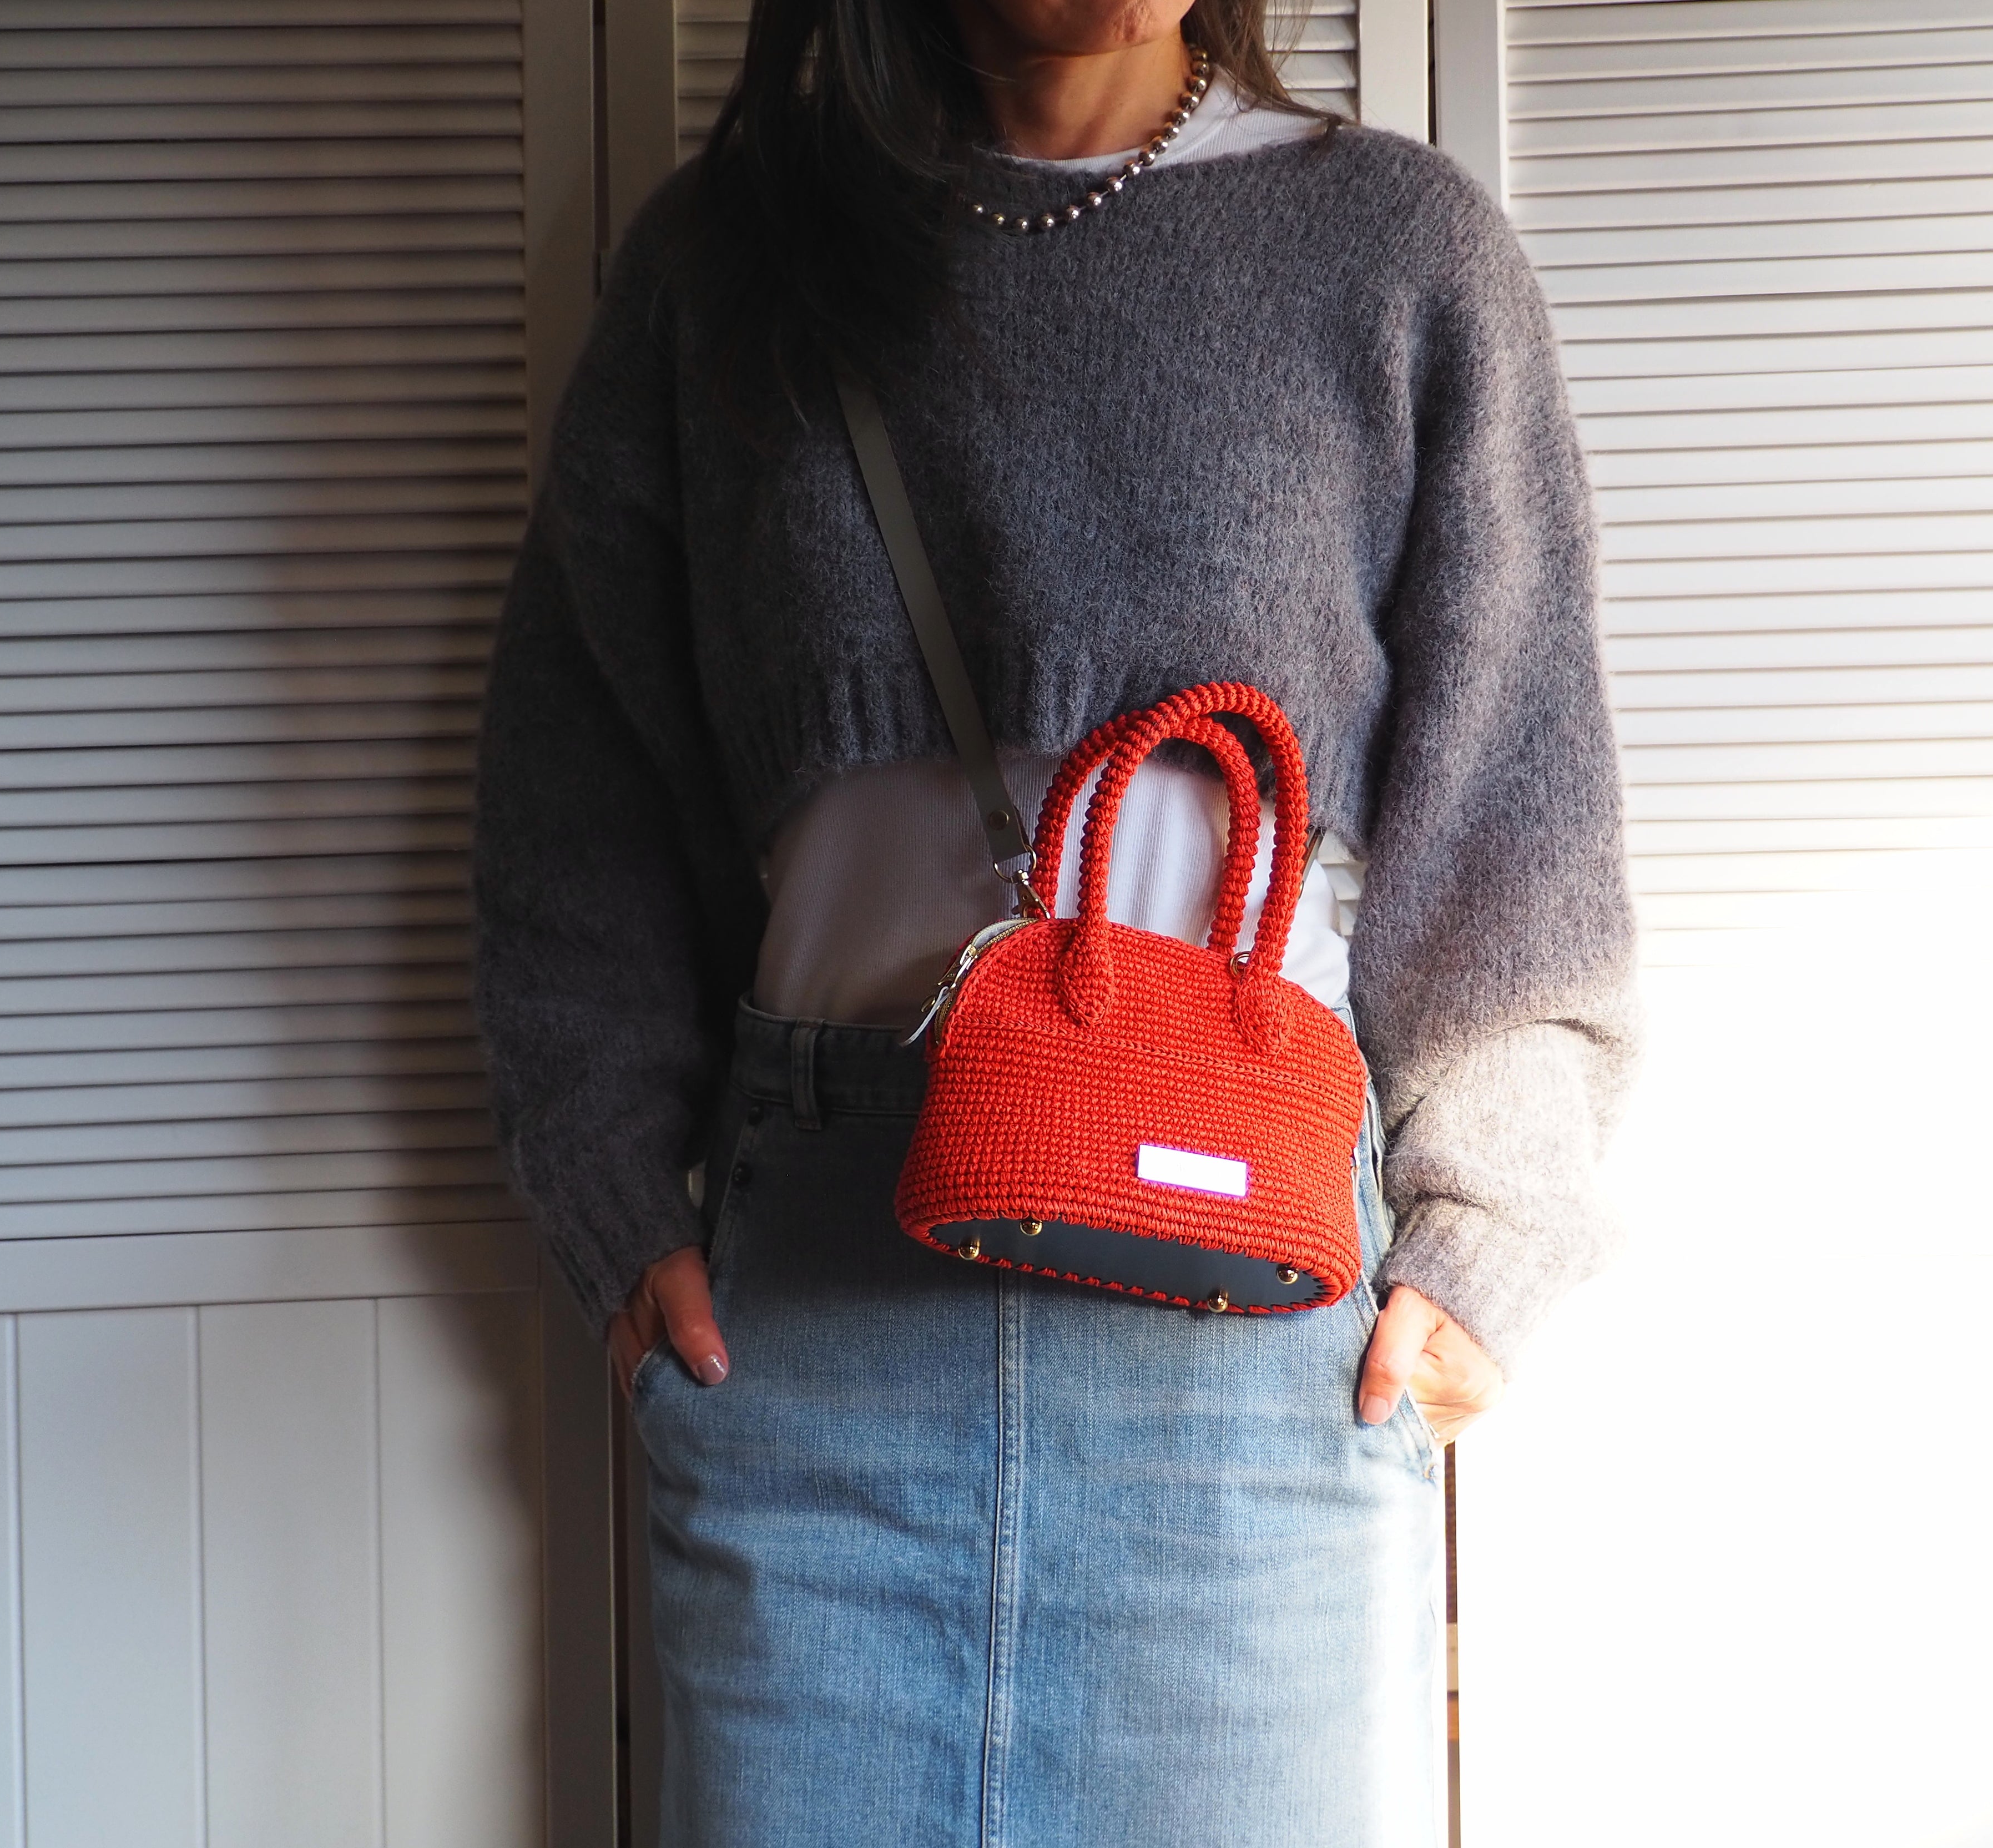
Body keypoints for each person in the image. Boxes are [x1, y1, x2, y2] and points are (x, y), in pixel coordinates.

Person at [470, 0, 1635, 1835]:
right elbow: (581, 781)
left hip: (1251, 1343)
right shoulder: (725, 265)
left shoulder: (1397, 252)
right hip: (814, 1344)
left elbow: (1516, 806)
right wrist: (615, 1200)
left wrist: (1482, 1233)